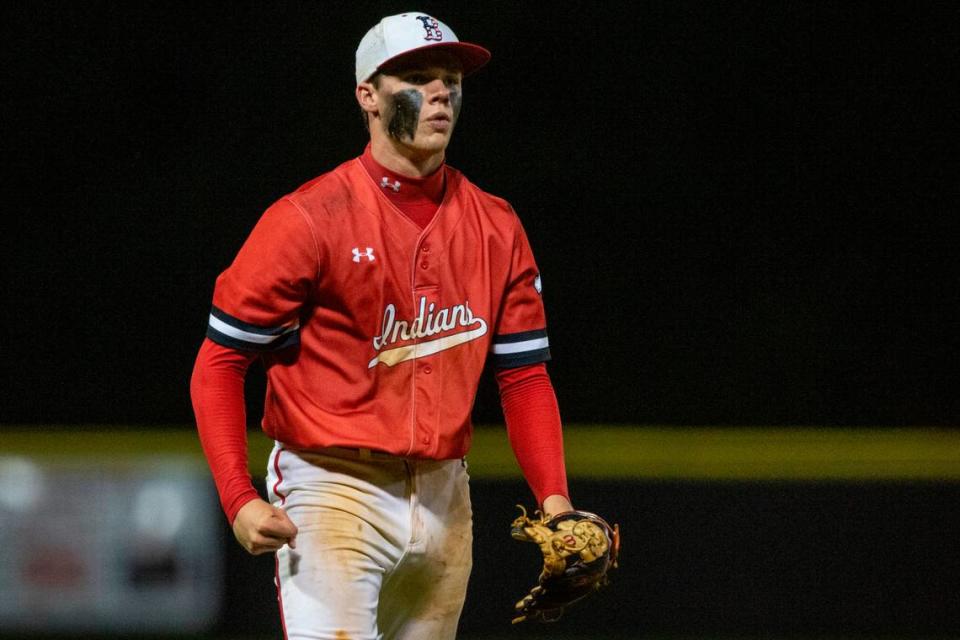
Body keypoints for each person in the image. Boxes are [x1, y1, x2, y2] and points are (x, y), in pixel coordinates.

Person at [191, 11, 575, 640]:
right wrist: (238, 496)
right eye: (417, 79)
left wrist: (554, 502)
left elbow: (524, 377)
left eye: (450, 80)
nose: (441, 94)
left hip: (446, 494)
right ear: (367, 96)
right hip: (332, 485)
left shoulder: (496, 226)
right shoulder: (309, 220)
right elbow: (219, 362)